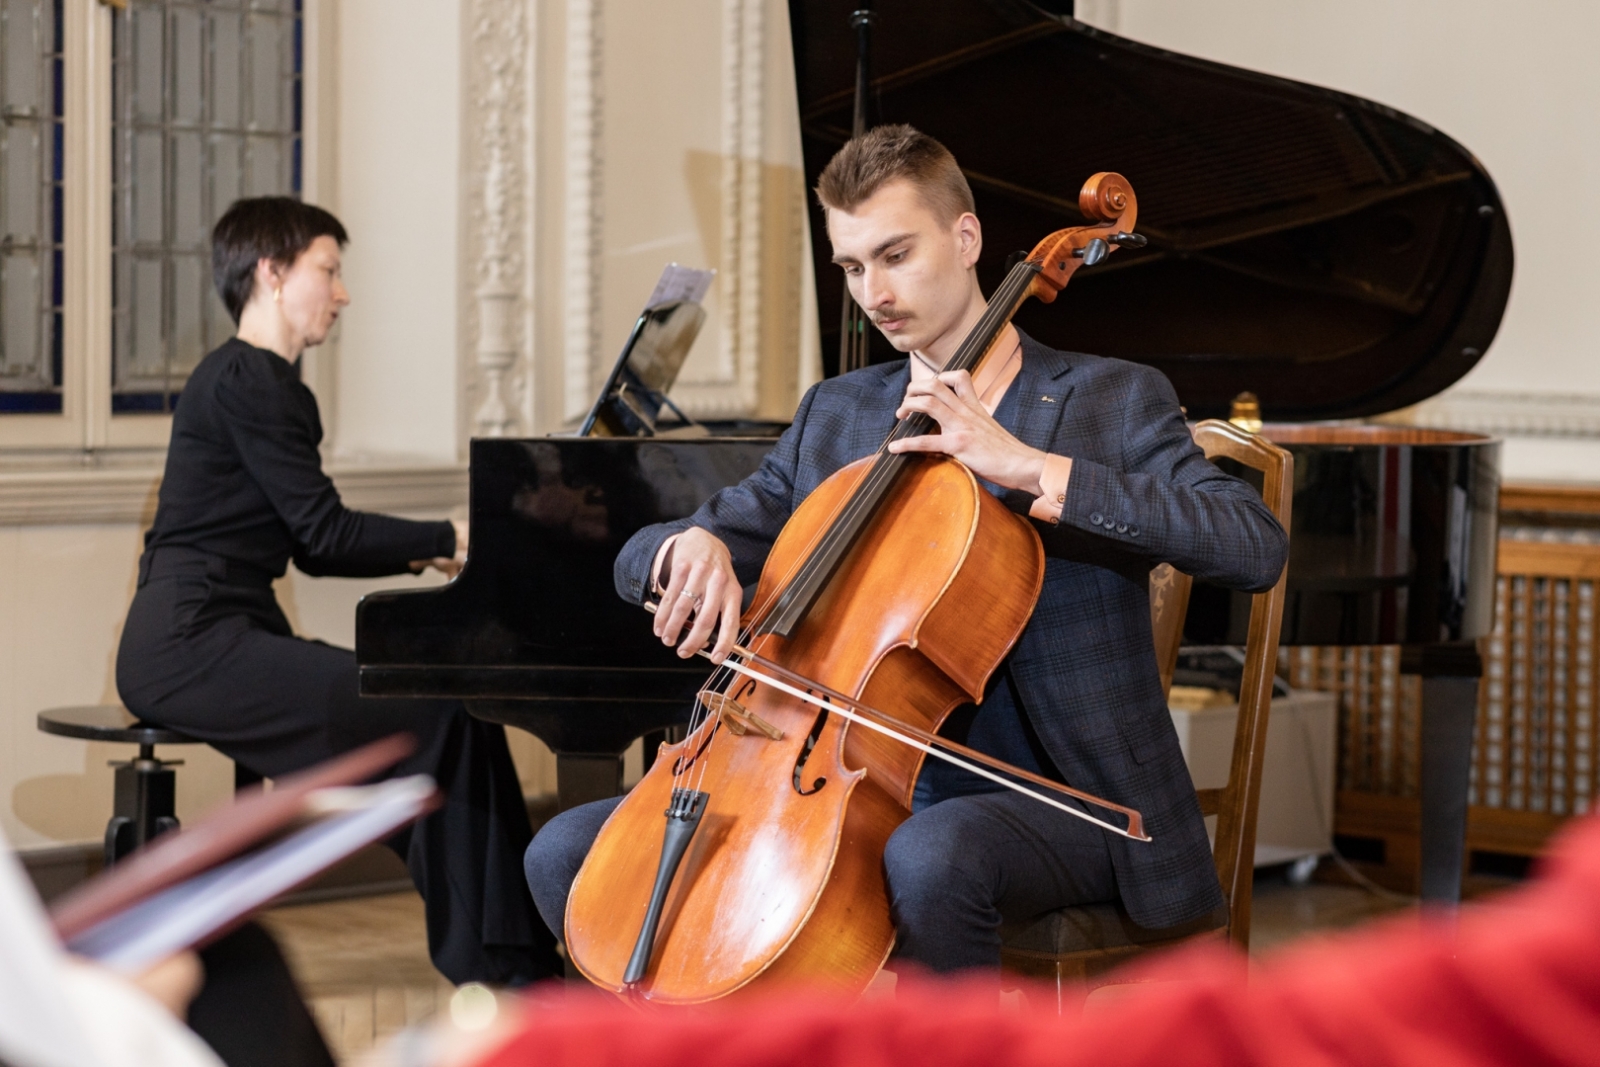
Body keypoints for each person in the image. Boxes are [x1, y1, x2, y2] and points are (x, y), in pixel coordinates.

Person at [524, 126, 1288, 974]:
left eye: (895, 254)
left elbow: (1252, 546)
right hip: (850, 783)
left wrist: (1032, 465)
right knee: (565, 852)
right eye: (852, 267)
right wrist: (688, 546)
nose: (874, 292)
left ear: (966, 241)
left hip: (1065, 794)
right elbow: (650, 551)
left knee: (932, 858)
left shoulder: (1108, 398)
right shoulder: (841, 415)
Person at [117, 197, 560, 986]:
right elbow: (324, 533)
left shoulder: (257, 382)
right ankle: (501, 970)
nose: (342, 293)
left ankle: (515, 955)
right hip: (189, 646)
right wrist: (448, 539)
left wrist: (431, 554)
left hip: (220, 631)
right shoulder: (250, 379)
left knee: (452, 706)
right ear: (272, 272)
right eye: (329, 269)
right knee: (436, 714)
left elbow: (309, 546)